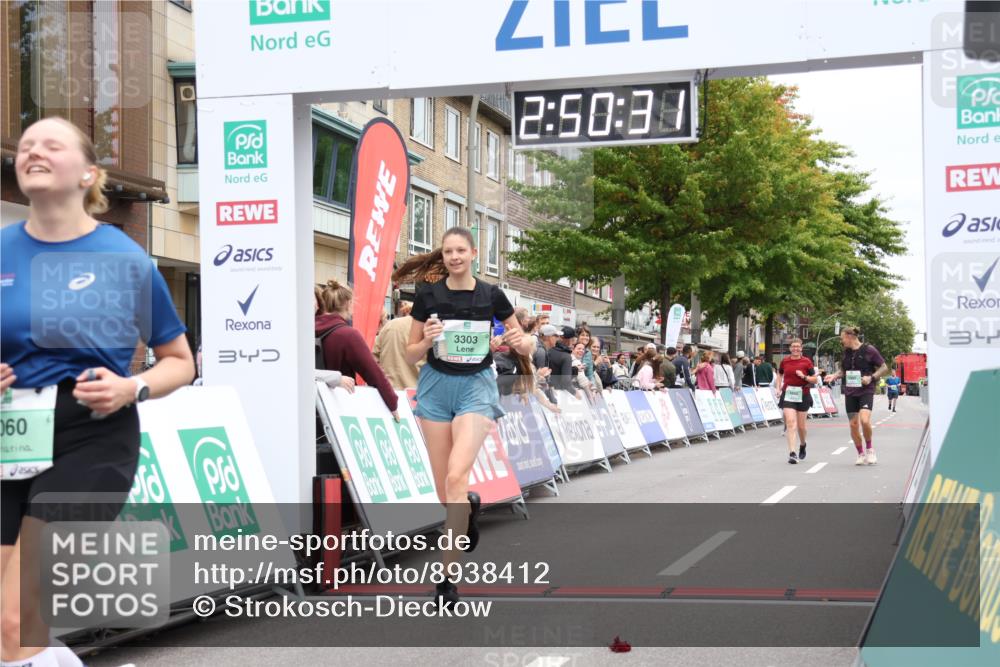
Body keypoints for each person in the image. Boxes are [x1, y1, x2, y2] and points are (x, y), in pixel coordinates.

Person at [1, 117, 196, 667]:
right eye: (27, 144)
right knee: (5, 626)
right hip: (9, 437)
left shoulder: (122, 258)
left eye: (52, 144)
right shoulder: (0, 249)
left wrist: (131, 387)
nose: (34, 150)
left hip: (92, 435)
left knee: (18, 616)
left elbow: (178, 362)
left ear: (88, 173)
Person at [396, 227, 532, 608]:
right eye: (448, 251)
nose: (454, 256)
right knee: (447, 494)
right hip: (436, 387)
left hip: (475, 387)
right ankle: (467, 507)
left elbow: (523, 338)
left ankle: (446, 579)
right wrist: (426, 341)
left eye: (460, 250)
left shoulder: (491, 295)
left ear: (473, 253)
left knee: (457, 476)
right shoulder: (428, 296)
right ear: (443, 256)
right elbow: (409, 355)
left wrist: (521, 341)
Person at [316, 280, 397, 416]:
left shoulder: (307, 329)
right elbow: (374, 374)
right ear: (349, 304)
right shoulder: (348, 335)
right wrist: (393, 404)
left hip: (308, 405)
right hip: (338, 409)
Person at [824, 327, 889, 465]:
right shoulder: (846, 352)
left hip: (866, 390)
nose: (842, 341)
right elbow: (844, 370)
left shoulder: (869, 350)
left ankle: (870, 449)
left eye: (842, 338)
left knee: (865, 421)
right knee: (853, 425)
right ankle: (860, 453)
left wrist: (871, 378)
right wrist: (835, 375)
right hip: (850, 392)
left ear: (850, 336)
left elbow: (884, 367)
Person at [776, 338, 820, 464]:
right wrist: (778, 388)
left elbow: (815, 380)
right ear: (790, 348)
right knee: (790, 422)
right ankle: (792, 453)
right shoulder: (785, 361)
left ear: (801, 348)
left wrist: (804, 376)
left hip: (803, 394)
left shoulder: (806, 362)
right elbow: (780, 374)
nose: (795, 349)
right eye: (793, 346)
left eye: (798, 346)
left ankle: (802, 444)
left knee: (801, 427)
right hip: (788, 394)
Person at [373, 300, 422, 390]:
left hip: (388, 390)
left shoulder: (390, 325)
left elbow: (373, 357)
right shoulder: (428, 330)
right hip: (415, 392)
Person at [546, 326, 577, 396]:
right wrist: (575, 393)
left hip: (546, 390)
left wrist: (574, 370)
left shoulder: (549, 350)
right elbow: (566, 381)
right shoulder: (566, 356)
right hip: (559, 393)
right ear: (570, 339)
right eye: (573, 340)